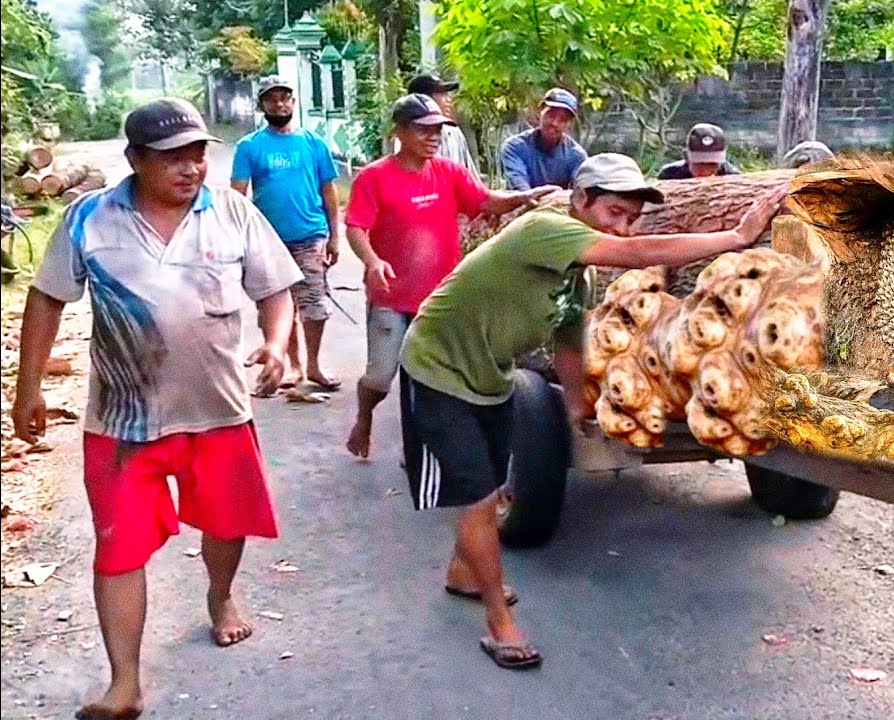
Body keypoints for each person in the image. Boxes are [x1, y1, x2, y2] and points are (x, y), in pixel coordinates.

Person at [396, 153, 786, 670]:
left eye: (631, 218)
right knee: (479, 497)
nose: (622, 226)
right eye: (613, 212)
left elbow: (567, 342)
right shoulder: (543, 228)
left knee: (486, 480)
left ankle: (462, 573)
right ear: (580, 200)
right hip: (438, 368)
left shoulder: (576, 279)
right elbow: (639, 252)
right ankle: (500, 622)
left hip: (490, 375)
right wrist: (736, 237)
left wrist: (576, 405)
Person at [10, 98, 299, 720]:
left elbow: (276, 290)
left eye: (197, 154)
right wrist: (27, 387)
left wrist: (277, 345)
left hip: (219, 410)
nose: (190, 167)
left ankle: (220, 594)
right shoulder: (89, 218)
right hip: (122, 422)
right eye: (172, 157)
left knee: (227, 523)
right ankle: (125, 684)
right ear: (135, 159)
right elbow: (46, 299)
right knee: (118, 548)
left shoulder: (232, 212)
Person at [344, 94, 556, 459]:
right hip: (391, 295)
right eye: (423, 130)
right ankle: (364, 417)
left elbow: (485, 201)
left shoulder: (448, 172)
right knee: (380, 377)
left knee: (429, 379)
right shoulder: (373, 177)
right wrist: (372, 261)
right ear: (400, 132)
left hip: (441, 298)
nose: (433, 137)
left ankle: (418, 453)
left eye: (438, 130)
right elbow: (356, 227)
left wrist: (524, 197)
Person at [231, 75, 343, 391]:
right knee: (280, 305)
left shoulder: (314, 143)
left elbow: (329, 192)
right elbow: (237, 195)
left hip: (311, 235)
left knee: (314, 304)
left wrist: (335, 236)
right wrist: (240, 239)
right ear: (262, 105)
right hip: (268, 240)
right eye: (272, 99)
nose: (279, 104)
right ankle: (293, 366)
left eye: (284, 98)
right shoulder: (250, 146)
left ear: (293, 102)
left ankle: (314, 365)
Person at [499, 88, 588, 190]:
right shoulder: (515, 147)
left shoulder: (576, 155)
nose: (554, 123)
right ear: (540, 112)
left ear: (569, 125)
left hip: (561, 200)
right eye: (551, 115)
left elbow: (581, 191)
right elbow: (520, 188)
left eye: (563, 120)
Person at [406, 72, 480, 177]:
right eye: (441, 94)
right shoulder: (408, 136)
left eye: (447, 94)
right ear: (424, 100)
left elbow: (469, 175)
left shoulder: (454, 131)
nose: (448, 99)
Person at [656, 123, 741, 180]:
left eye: (713, 164)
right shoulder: (670, 175)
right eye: (699, 164)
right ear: (686, 157)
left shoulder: (732, 178)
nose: (706, 171)